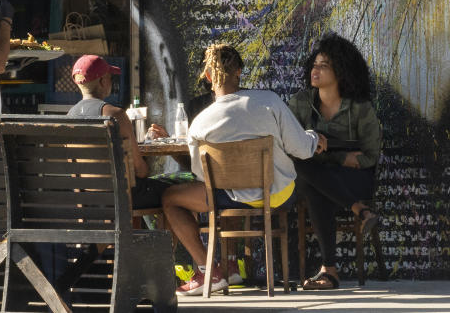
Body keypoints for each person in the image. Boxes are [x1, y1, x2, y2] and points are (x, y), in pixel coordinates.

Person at [162, 43, 321, 296]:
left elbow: (202, 177)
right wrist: (314, 138)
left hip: (230, 197)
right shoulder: (269, 100)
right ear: (239, 72)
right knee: (229, 191)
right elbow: (302, 149)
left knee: (170, 198)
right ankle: (230, 265)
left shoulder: (200, 123)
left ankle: (208, 270)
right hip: (278, 194)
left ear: (208, 76)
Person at [288, 33, 382, 291]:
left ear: (340, 72)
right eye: (314, 65)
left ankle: (329, 270)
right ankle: (360, 211)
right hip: (316, 175)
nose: (315, 70)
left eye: (324, 66)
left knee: (312, 181)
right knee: (307, 174)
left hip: (355, 180)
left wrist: (331, 154)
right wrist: (339, 155)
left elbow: (370, 156)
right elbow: (289, 146)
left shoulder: (360, 109)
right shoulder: (300, 103)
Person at [66, 54, 171, 208]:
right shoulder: (115, 115)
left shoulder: (69, 117)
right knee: (174, 193)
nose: (111, 81)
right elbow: (140, 170)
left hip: (89, 198)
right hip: (124, 197)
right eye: (109, 77)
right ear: (102, 81)